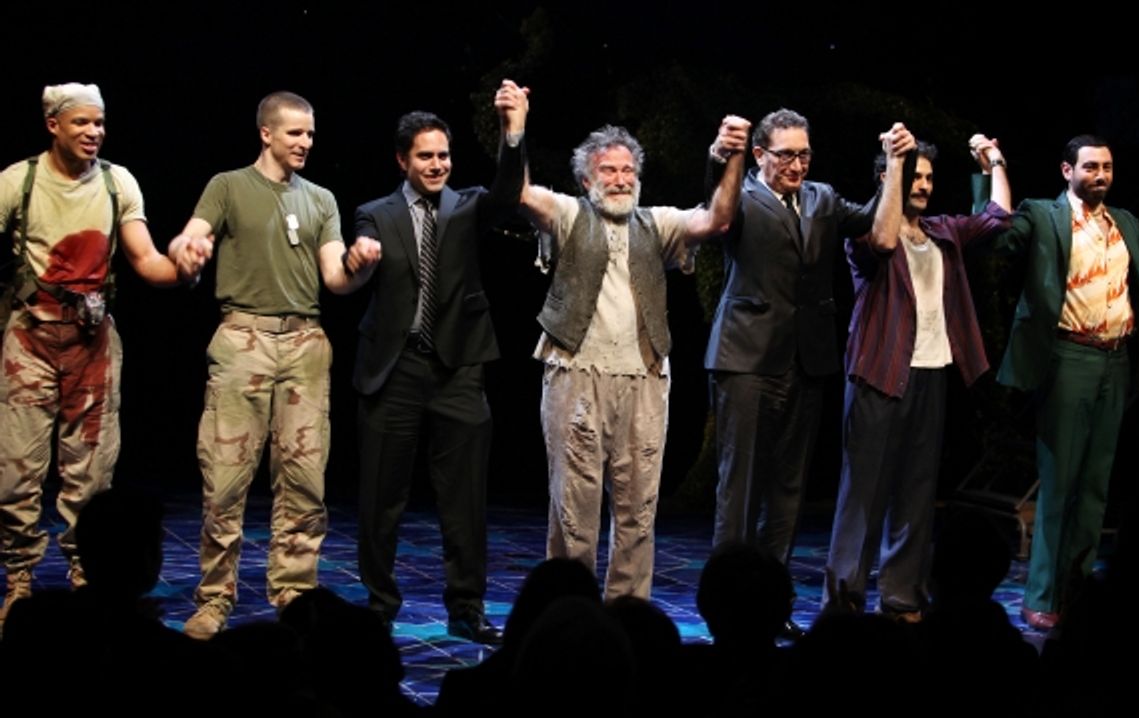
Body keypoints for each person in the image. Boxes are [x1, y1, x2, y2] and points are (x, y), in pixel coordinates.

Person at [173, 90, 380, 639]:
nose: (305, 142)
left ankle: (294, 595)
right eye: (295, 133)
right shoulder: (228, 186)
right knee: (225, 478)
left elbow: (335, 277)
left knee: (304, 480)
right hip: (244, 339)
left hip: (305, 343)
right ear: (266, 133)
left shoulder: (321, 199)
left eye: (310, 133)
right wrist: (186, 249)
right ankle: (215, 598)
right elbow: (194, 235)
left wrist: (359, 265)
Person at [0, 82, 207, 631]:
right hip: (30, 340)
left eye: (99, 123)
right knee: (15, 472)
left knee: (90, 475)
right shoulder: (18, 182)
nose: (94, 132)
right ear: (53, 125)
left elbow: (146, 260)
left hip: (92, 345)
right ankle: (19, 578)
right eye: (82, 123)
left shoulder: (118, 182)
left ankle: (86, 575)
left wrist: (183, 267)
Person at [519, 115, 750, 600]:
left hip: (644, 377)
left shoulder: (656, 222)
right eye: (609, 170)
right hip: (577, 374)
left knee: (638, 509)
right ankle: (571, 608)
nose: (621, 179)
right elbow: (519, 194)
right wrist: (513, 129)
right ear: (587, 180)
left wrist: (731, 158)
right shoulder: (569, 214)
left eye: (628, 170)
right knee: (573, 507)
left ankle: (628, 610)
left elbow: (718, 219)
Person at [991, 135, 1139, 630]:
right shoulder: (1043, 215)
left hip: (1115, 360)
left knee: (1093, 488)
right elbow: (995, 239)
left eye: (1106, 167)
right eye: (1090, 167)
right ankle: (1042, 594)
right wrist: (989, 172)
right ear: (1067, 171)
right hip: (1069, 357)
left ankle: (1077, 592)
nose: (1100, 175)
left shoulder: (1123, 223)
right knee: (1060, 482)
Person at [351, 80, 528, 644]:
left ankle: (466, 608)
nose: (436, 165)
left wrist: (513, 132)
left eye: (443, 155)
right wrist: (359, 257)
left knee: (464, 499)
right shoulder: (374, 214)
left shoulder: (469, 206)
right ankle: (380, 606)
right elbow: (357, 259)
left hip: (459, 367)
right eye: (425, 156)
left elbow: (508, 192)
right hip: (395, 368)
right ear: (402, 160)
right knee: (381, 499)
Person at [705, 109, 887, 633]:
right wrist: (721, 157)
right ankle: (726, 607)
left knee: (787, 490)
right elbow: (717, 211)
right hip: (746, 358)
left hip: (806, 360)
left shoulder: (822, 198)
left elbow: (873, 223)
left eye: (804, 154)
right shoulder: (739, 195)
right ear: (760, 154)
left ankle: (770, 605)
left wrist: (894, 168)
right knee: (740, 489)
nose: (797, 165)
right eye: (786, 155)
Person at [823, 128, 1013, 621]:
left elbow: (998, 217)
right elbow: (883, 242)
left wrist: (993, 161)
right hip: (878, 374)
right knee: (863, 494)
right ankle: (844, 601)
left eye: (928, 177)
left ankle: (902, 594)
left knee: (916, 492)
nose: (924, 185)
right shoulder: (864, 231)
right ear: (888, 178)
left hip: (931, 374)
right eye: (914, 176)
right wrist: (894, 165)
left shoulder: (943, 231)